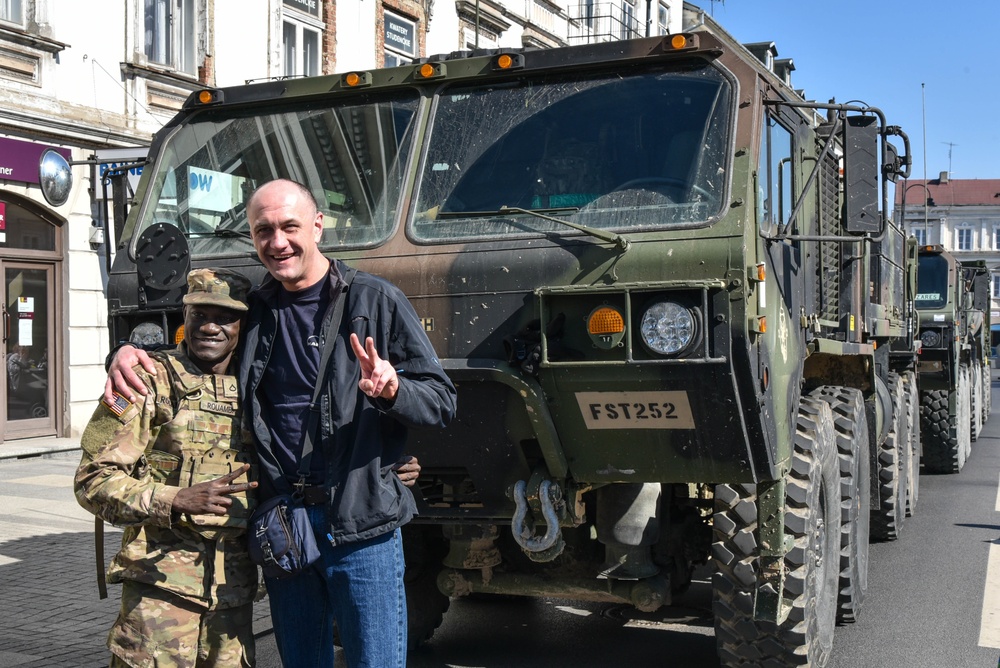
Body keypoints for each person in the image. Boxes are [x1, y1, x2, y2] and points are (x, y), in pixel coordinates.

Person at [105, 178, 457, 668]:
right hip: (284, 525)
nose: (277, 242)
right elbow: (196, 341)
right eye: (263, 230)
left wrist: (393, 391)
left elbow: (441, 401)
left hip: (362, 527)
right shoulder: (255, 310)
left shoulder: (376, 301)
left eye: (289, 226)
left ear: (317, 225)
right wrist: (124, 353)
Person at [77, 268, 259, 667]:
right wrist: (175, 498)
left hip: (232, 597)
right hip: (159, 594)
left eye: (224, 317)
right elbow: (92, 479)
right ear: (184, 317)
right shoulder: (145, 381)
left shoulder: (260, 387)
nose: (209, 327)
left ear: (243, 323)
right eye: (198, 315)